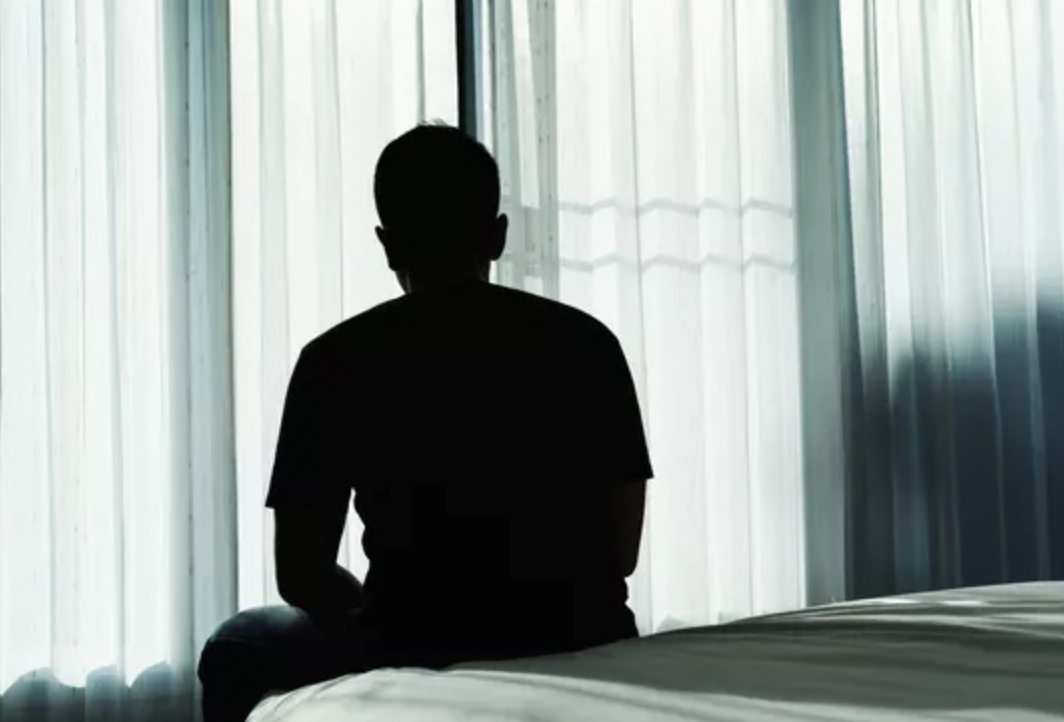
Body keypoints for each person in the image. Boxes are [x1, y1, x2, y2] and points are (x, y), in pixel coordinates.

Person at [197, 123, 653, 721]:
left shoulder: (335, 361)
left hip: (415, 648)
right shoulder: (589, 345)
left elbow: (301, 573)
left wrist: (380, 610)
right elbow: (620, 552)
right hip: (585, 643)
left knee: (249, 640)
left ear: (388, 245)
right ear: (498, 235)